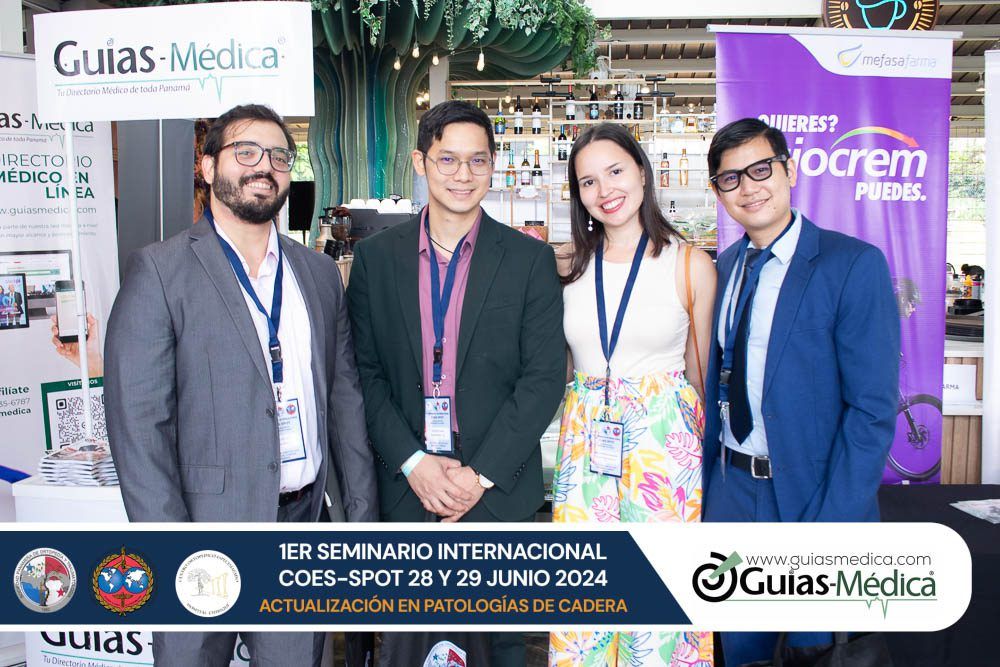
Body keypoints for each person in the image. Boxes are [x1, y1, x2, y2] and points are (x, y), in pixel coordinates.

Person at [104, 104, 377, 667]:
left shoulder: (319, 274)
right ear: (208, 168)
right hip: (203, 531)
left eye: (279, 156)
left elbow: (344, 402)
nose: (264, 166)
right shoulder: (159, 271)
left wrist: (360, 519)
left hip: (301, 524)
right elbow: (139, 426)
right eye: (246, 152)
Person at [346, 100, 566, 665]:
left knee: (502, 646)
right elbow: (364, 374)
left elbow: (543, 379)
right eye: (447, 159)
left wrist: (479, 475)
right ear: (420, 162)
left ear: (493, 165)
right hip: (406, 487)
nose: (463, 175)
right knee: (406, 644)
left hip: (496, 490)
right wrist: (414, 463)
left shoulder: (529, 260)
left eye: (477, 160)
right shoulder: (375, 258)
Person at [702, 118, 899, 665]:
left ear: (789, 171)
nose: (749, 187)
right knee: (742, 651)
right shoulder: (724, 268)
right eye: (730, 178)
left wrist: (832, 525)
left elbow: (872, 411)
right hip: (732, 495)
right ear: (718, 192)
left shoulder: (851, 264)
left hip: (814, 499)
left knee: (817, 652)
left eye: (761, 169)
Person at [547, 123, 715, 666]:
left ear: (642, 172)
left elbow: (701, 376)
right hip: (585, 447)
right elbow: (562, 368)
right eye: (588, 181)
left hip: (664, 449)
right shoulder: (567, 266)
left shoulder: (690, 265)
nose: (605, 190)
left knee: (661, 604)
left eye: (615, 171)